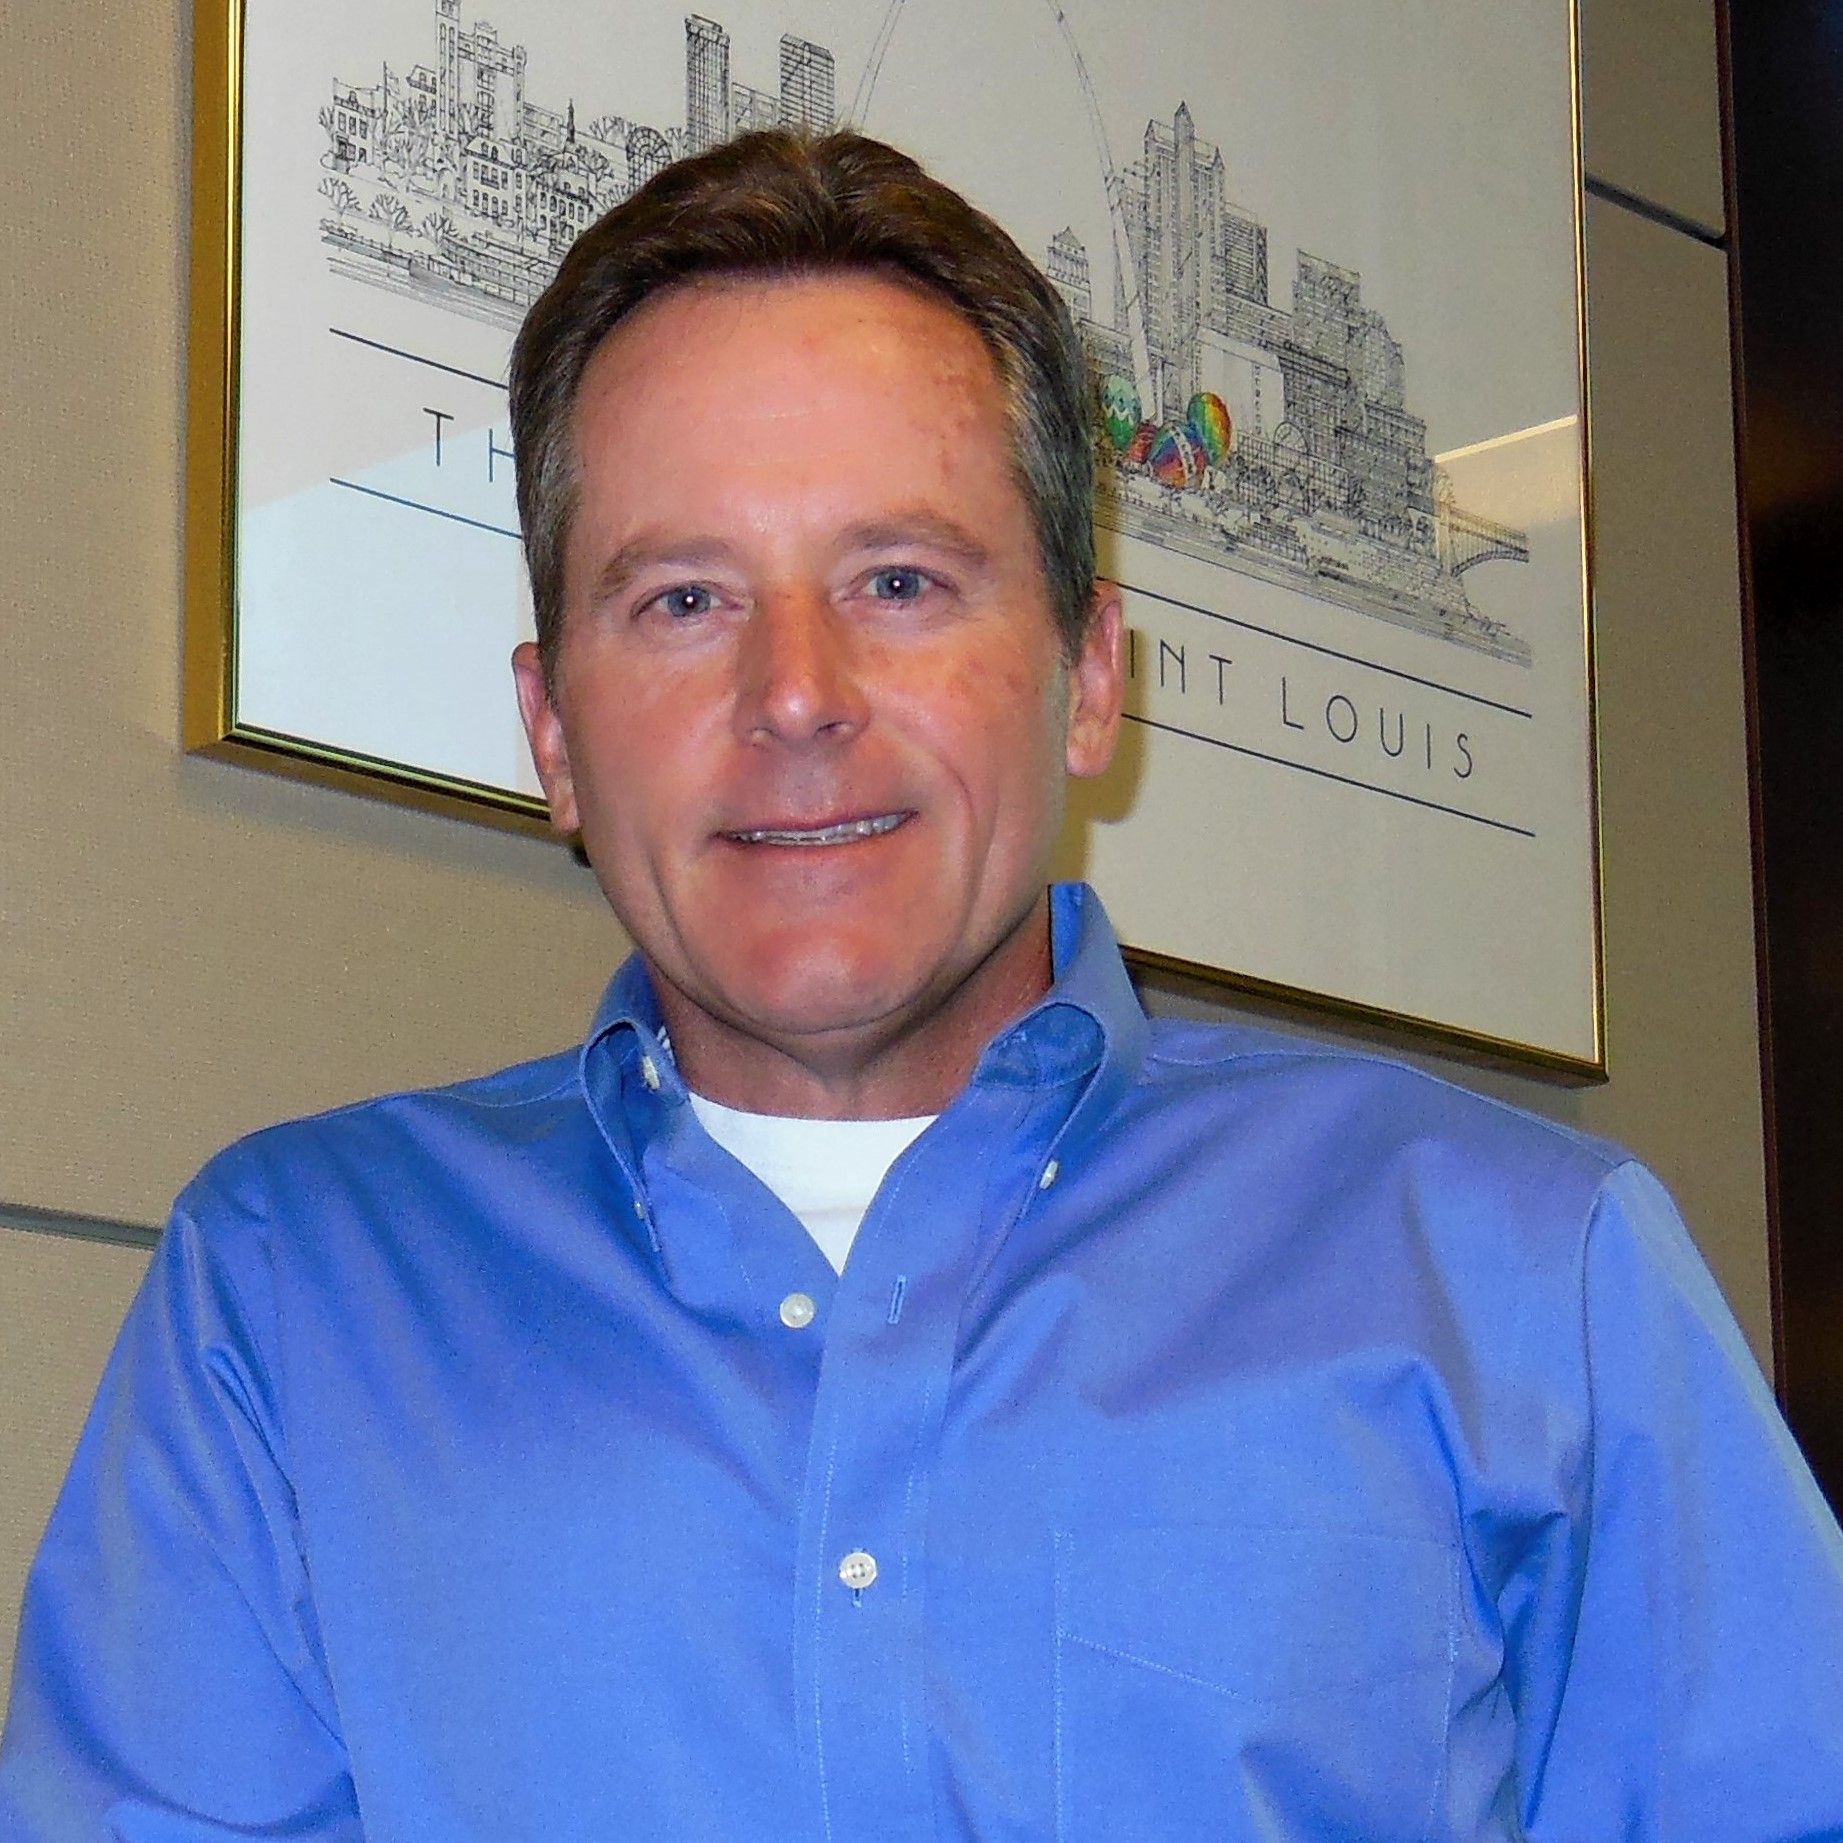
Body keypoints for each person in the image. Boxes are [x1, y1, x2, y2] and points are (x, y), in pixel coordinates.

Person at [3, 128, 1841, 1841]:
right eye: (684, 600)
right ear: (554, 735)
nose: (795, 692)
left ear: (1093, 678)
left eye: (897, 580)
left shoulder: (1527, 1281)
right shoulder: (293, 1298)